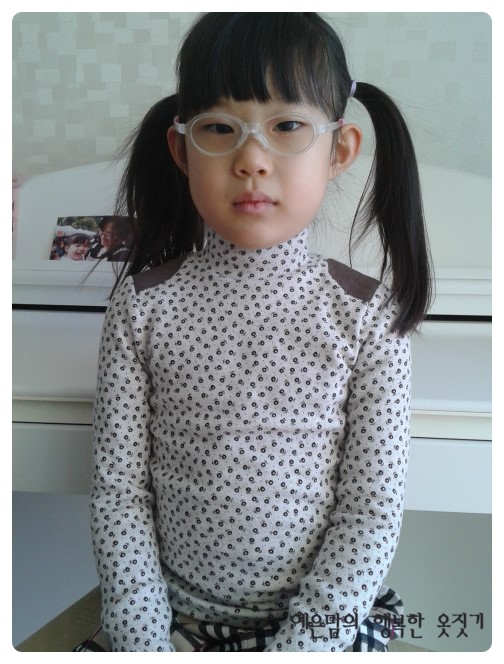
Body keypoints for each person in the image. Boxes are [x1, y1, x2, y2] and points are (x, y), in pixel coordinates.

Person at [84, 12, 431, 653]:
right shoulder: (142, 307)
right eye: (219, 128)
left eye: (287, 126)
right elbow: (118, 492)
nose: (251, 160)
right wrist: (144, 642)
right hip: (170, 620)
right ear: (182, 151)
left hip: (322, 628)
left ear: (340, 150)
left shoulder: (367, 316)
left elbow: (371, 509)